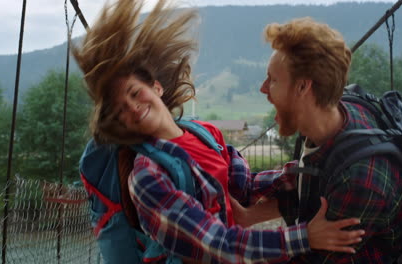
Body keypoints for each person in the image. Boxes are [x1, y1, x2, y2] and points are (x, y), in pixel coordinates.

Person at [73, 1, 364, 263]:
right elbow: (214, 244)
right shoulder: (146, 175)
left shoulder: (205, 133)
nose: (133, 108)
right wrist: (304, 237)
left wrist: (312, 168)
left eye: (135, 93)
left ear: (157, 87)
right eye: (120, 109)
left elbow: (245, 187)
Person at [258, 17, 402, 263]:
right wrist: (239, 183)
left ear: (303, 87)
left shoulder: (359, 180)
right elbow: (308, 173)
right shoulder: (336, 113)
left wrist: (229, 246)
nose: (263, 88)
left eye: (273, 80)